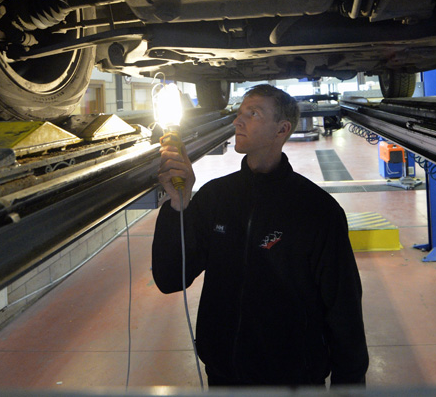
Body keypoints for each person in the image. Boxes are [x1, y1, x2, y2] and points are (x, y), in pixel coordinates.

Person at [152, 84, 369, 387]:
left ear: (282, 129)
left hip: (294, 380)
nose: (237, 121)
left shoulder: (317, 209)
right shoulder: (215, 198)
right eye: (239, 113)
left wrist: (350, 385)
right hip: (223, 376)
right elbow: (171, 278)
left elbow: (343, 305)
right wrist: (177, 206)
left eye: (252, 114)